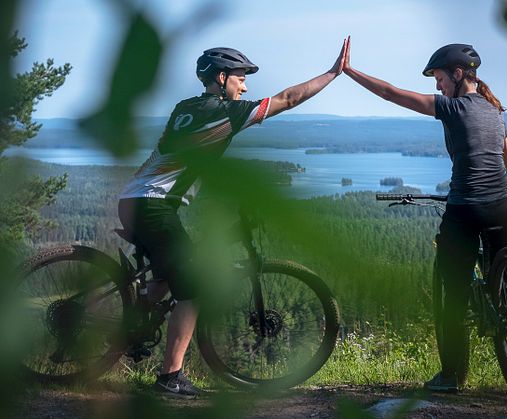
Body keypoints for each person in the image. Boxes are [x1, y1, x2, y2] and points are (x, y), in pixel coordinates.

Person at [118, 39, 349, 398]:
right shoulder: (226, 112)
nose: (245, 85)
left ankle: (134, 323)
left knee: (171, 272)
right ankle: (170, 377)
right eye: (240, 78)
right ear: (221, 77)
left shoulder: (187, 107)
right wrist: (333, 73)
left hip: (135, 200)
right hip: (154, 205)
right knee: (192, 290)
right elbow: (288, 99)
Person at [343, 42, 507, 392]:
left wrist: (351, 72)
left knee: (452, 291)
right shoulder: (495, 108)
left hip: (466, 207)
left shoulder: (453, 108)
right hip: (506, 206)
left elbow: (391, 93)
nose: (437, 86)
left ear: (457, 74)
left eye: (439, 78)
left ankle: (452, 376)